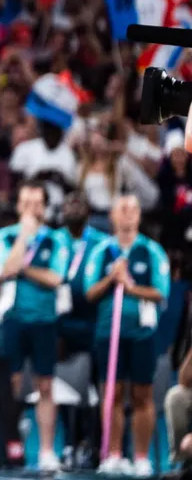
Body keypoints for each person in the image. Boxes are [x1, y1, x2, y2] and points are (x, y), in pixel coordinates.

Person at [84, 194, 172, 477]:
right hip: (108, 333)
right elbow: (89, 292)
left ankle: (142, 457)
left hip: (141, 334)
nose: (128, 214)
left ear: (139, 215)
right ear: (112, 215)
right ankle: (113, 454)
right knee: (112, 394)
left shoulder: (151, 251)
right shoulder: (101, 251)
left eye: (133, 209)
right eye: (122, 209)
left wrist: (130, 287)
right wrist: (112, 278)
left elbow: (161, 293)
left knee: (142, 395)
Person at [0, 181, 68, 472]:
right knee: (10, 386)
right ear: (18, 206)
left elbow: (56, 278)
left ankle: (47, 451)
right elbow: (4, 270)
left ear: (45, 208)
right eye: (26, 203)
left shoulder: (56, 239)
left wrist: (22, 268)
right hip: (13, 320)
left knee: (45, 385)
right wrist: (24, 236)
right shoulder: (5, 235)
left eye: (37, 204)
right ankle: (12, 445)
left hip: (45, 321)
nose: (31, 209)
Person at [57, 190, 107, 469]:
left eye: (79, 203)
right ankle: (69, 444)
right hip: (63, 325)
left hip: (95, 322)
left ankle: (95, 444)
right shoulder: (53, 240)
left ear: (88, 211)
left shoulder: (102, 243)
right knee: (64, 386)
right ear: (62, 211)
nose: (73, 207)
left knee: (96, 389)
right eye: (69, 203)